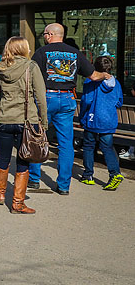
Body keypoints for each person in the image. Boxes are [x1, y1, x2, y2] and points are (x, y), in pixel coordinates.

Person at [28, 23, 111, 195]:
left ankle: (34, 179)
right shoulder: (75, 53)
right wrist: (105, 74)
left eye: (45, 34)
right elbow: (93, 75)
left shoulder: (41, 52)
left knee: (38, 136)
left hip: (46, 98)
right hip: (67, 98)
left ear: (50, 34)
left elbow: (30, 76)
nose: (44, 37)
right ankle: (63, 185)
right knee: (66, 143)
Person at [0, 36, 48, 214]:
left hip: (5, 118)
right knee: (24, 158)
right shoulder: (31, 67)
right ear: (23, 48)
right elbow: (40, 97)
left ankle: (0, 194)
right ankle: (17, 203)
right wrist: (43, 121)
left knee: (3, 157)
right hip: (27, 120)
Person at [80, 56, 124, 190]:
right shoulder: (116, 83)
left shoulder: (90, 82)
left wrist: (82, 117)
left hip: (92, 118)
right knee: (107, 147)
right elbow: (119, 102)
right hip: (108, 120)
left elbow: (86, 101)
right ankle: (115, 173)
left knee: (88, 146)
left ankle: (88, 175)